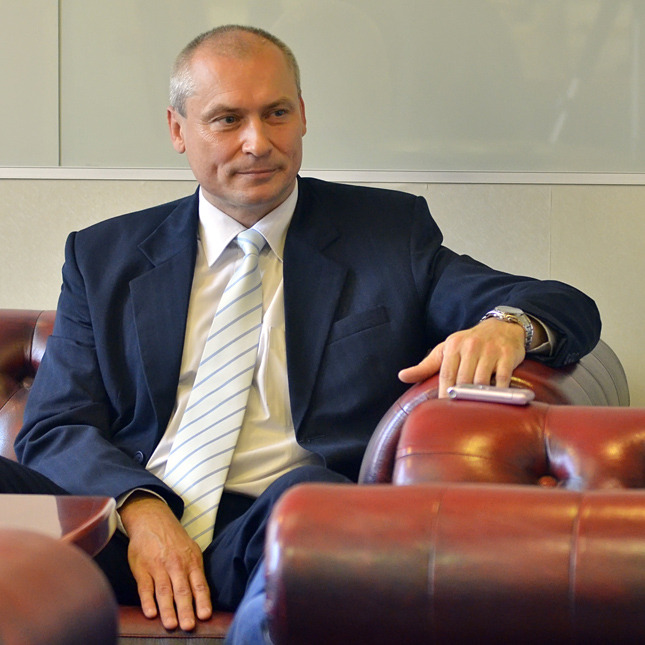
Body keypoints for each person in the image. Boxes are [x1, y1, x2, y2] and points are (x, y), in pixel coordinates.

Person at [2, 25, 600, 644]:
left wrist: (508, 328)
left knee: (308, 499)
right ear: (178, 130)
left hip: (275, 529)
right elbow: (56, 424)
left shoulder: (386, 236)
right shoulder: (104, 256)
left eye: (276, 113)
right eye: (227, 120)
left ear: (304, 115)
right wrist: (142, 509)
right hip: (119, 529)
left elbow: (562, 304)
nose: (258, 142)